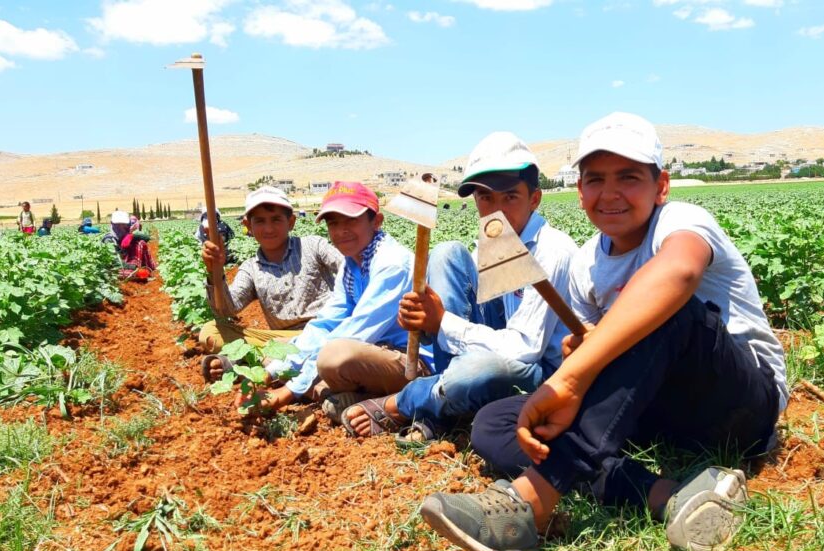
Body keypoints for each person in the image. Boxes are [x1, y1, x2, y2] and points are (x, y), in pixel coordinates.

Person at [419, 112, 788, 551]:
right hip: (657, 410)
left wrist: (574, 374)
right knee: (496, 421)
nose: (610, 193)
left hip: (740, 407)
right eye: (596, 179)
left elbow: (679, 272)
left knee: (662, 309)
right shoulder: (586, 265)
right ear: (580, 191)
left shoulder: (681, 220)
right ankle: (666, 495)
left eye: (628, 177)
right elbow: (593, 351)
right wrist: (582, 350)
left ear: (661, 186)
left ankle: (531, 501)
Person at [341, 133, 577, 446]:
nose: (496, 210)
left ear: (534, 199)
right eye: (485, 198)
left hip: (541, 368)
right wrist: (424, 322)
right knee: (447, 253)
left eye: (510, 197)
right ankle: (445, 402)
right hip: (504, 342)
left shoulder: (552, 250)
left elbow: (526, 348)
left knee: (476, 370)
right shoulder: (498, 238)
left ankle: (405, 403)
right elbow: (474, 310)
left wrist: (441, 321)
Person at [205, 182, 430, 416]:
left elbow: (355, 332)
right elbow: (325, 323)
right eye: (333, 223)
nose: (341, 231)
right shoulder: (353, 263)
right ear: (248, 226)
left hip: (408, 359)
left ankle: (391, 399)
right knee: (293, 354)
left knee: (331, 357)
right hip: (360, 346)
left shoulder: (389, 264)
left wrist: (287, 391)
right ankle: (344, 395)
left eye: (351, 220)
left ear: (377, 221)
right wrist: (268, 375)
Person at [198, 186, 341, 354]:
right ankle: (296, 350)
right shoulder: (251, 268)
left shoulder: (313, 246)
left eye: (276, 219)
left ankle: (271, 355)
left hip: (327, 328)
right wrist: (215, 272)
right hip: (284, 338)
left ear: (291, 222)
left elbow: (346, 267)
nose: (268, 229)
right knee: (210, 332)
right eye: (260, 221)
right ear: (248, 226)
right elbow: (226, 310)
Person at [103, 210, 157, 279]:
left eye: (123, 225)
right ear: (112, 224)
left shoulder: (127, 235)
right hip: (116, 267)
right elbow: (115, 262)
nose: (121, 228)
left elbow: (148, 238)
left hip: (128, 263)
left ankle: (149, 269)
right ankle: (137, 273)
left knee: (140, 243)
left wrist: (132, 236)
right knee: (115, 273)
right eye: (118, 225)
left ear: (128, 225)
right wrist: (133, 267)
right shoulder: (109, 240)